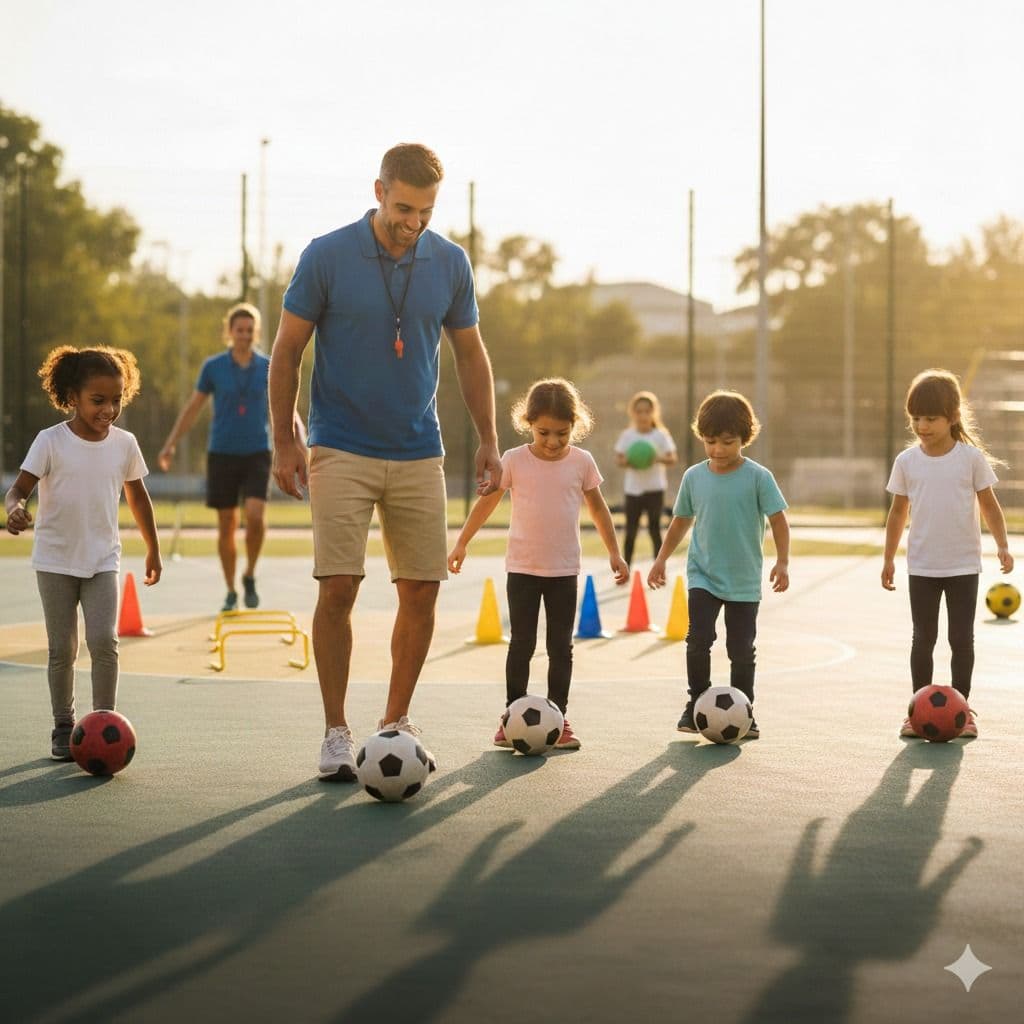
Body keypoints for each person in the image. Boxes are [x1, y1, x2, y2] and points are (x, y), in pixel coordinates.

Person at [269, 142, 501, 782]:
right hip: (339, 444)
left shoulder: (450, 262)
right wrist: (286, 442)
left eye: (425, 211)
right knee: (338, 587)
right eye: (403, 207)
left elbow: (471, 354)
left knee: (422, 590)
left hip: (419, 448)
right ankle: (336, 733)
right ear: (378, 191)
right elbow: (287, 350)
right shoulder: (327, 254)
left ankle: (395, 721)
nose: (413, 222)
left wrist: (487, 436)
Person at [448, 378, 629, 750]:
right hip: (523, 568)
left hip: (564, 570)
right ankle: (511, 716)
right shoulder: (513, 460)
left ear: (574, 426)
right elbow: (487, 502)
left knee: (561, 646)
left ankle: (558, 719)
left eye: (562, 433)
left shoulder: (582, 462)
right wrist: (462, 541)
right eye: (544, 432)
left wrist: (614, 551)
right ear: (528, 422)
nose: (552, 441)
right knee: (522, 643)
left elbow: (598, 508)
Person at [4, 346, 161, 761]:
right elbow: (18, 489)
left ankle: (102, 721)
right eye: (98, 400)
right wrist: (15, 509)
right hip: (55, 562)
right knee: (63, 649)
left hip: (102, 561)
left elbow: (139, 499)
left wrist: (153, 549)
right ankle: (62, 725)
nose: (109, 409)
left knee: (104, 641)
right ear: (72, 396)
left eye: (117, 400)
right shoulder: (50, 441)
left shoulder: (125, 444)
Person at [648, 390, 789, 739]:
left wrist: (782, 562)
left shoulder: (758, 477)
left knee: (741, 649)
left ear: (745, 437)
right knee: (698, 639)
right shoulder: (694, 477)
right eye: (710, 442)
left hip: (743, 579)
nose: (718, 450)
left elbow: (779, 520)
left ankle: (745, 711)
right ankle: (695, 702)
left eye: (727, 442)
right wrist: (661, 559)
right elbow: (680, 521)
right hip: (703, 575)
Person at [882, 368, 1014, 739]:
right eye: (916, 418)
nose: (922, 425)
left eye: (930, 418)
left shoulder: (970, 458)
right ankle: (915, 711)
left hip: (962, 566)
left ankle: (963, 710)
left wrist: (1001, 544)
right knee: (922, 638)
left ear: (952, 417)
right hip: (922, 566)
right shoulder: (907, 461)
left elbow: (989, 505)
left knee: (961, 639)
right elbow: (897, 513)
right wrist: (889, 558)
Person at [158, 302, 276, 613]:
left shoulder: (267, 365)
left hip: (257, 452)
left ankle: (249, 574)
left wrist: (297, 440)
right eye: (239, 330)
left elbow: (283, 407)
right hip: (222, 453)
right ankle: (230, 590)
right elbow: (192, 409)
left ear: (256, 333)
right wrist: (170, 444)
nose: (245, 335)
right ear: (229, 331)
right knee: (226, 524)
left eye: (250, 330)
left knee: (255, 516)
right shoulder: (213, 367)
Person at [614, 390, 677, 567]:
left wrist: (656, 458)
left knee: (655, 529)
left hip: (655, 489)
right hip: (633, 490)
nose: (643, 415)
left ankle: (658, 567)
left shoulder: (660, 435)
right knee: (631, 530)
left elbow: (672, 458)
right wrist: (628, 461)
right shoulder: (628, 435)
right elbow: (619, 459)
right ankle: (625, 568)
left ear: (653, 412)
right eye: (639, 411)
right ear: (633, 413)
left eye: (647, 411)